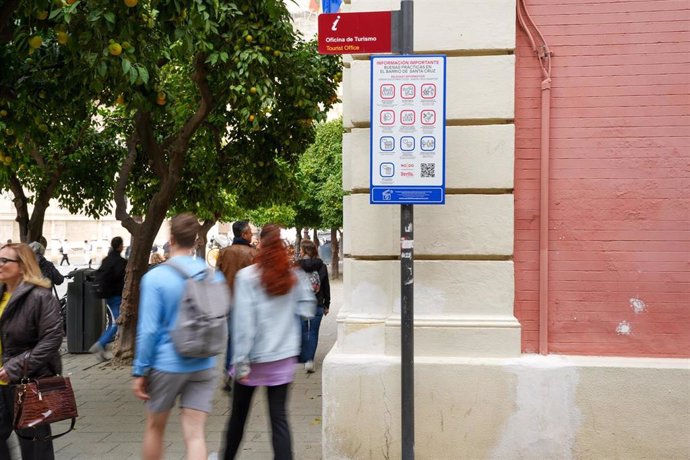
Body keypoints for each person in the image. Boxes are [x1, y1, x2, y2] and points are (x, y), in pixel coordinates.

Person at [132, 213, 224, 460]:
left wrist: (140, 371)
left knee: (155, 428)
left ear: (171, 239)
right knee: (195, 435)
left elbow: (148, 330)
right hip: (204, 362)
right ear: (195, 240)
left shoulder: (155, 278)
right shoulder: (212, 275)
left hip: (166, 363)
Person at [223, 224, 316, 460]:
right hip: (282, 358)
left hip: (252, 360)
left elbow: (244, 323)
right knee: (279, 420)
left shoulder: (247, 277)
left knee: (238, 418)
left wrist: (240, 362)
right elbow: (307, 307)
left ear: (260, 245)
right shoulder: (294, 275)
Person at [0, 243, 63, 459]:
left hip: (26, 384)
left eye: (4, 261)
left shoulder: (40, 297)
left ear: (22, 265)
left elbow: (52, 338)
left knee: (35, 448)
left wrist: (15, 367)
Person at [216, 221, 257, 391]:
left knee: (232, 338)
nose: (252, 235)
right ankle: (241, 370)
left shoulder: (223, 253)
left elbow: (217, 278)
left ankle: (229, 370)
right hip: (248, 302)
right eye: (251, 233)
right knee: (248, 337)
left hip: (228, 301)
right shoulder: (253, 254)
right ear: (244, 234)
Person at [89, 237, 127, 361]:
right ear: (120, 246)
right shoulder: (121, 262)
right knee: (116, 322)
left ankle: (102, 347)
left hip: (108, 295)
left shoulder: (107, 259)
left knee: (114, 321)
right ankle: (100, 344)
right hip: (116, 296)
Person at [297, 239, 331, 373]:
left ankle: (305, 357)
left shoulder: (297, 265)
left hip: (301, 303)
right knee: (313, 332)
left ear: (304, 251)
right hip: (317, 303)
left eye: (301, 249)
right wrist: (327, 304)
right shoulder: (322, 266)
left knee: (303, 331)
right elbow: (326, 286)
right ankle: (310, 360)